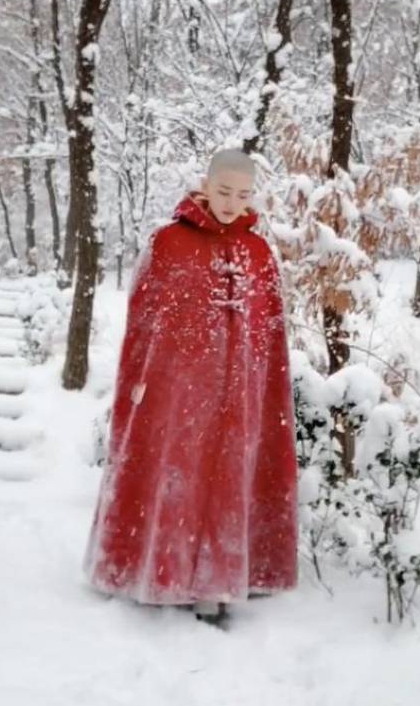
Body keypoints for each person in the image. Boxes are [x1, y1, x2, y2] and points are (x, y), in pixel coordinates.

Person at [83, 147, 298, 629]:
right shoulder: (169, 243)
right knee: (177, 474)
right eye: (223, 191)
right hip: (179, 390)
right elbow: (146, 323)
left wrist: (257, 392)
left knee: (228, 478)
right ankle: (161, 574)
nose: (231, 201)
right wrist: (145, 384)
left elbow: (269, 338)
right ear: (205, 185)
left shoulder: (259, 253)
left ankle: (220, 583)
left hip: (239, 394)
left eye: (242, 194)